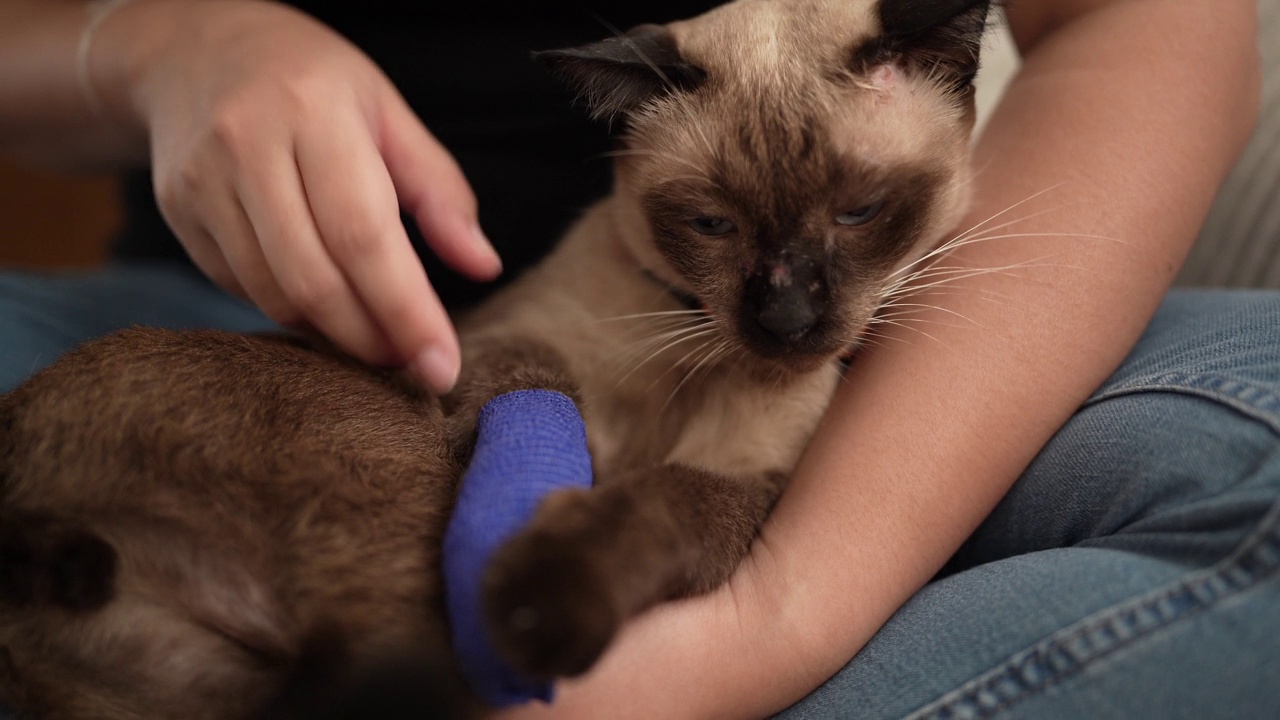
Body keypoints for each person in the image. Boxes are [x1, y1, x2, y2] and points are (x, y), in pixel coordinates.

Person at [0, 1, 1273, 718]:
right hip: (262, 314)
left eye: (853, 216)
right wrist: (154, 44)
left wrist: (785, 613)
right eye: (714, 226)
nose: (785, 310)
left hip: (925, 354)